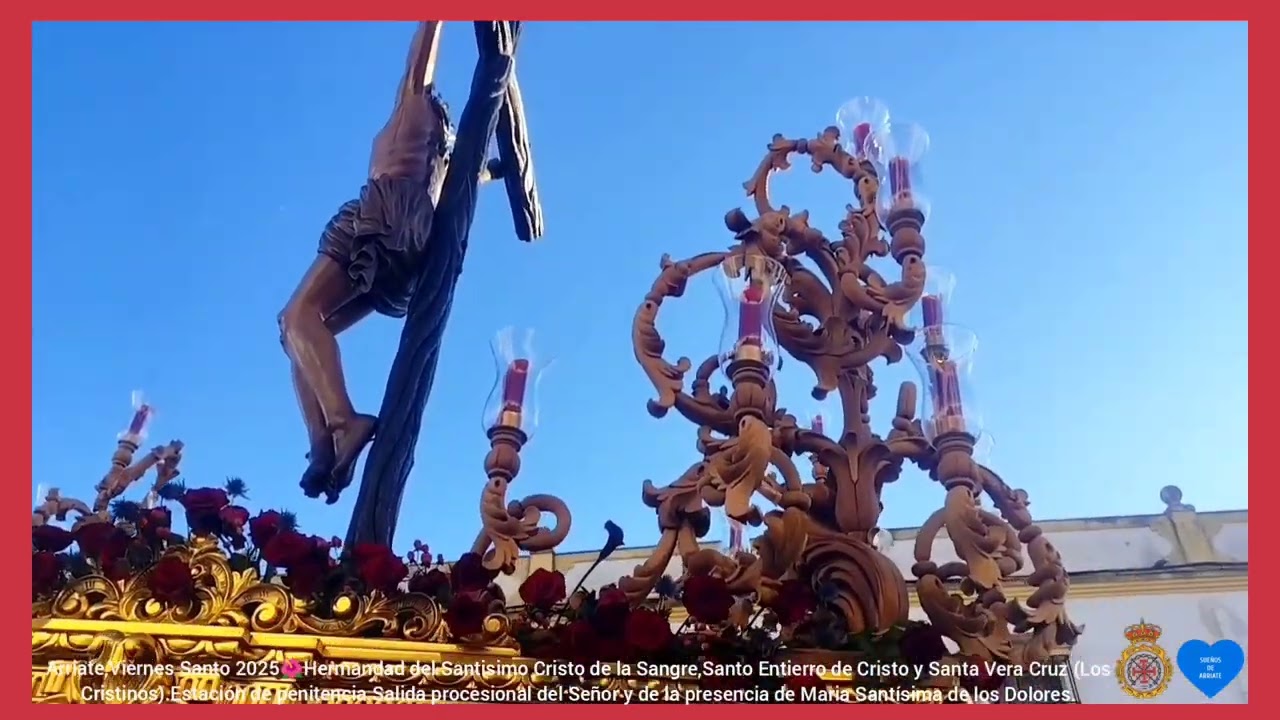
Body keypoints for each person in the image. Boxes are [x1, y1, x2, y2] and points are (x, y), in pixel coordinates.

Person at [278, 21, 452, 504]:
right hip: (406, 247)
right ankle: (322, 444)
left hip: (379, 217)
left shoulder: (415, 104)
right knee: (302, 333)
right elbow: (466, 182)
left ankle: (341, 422)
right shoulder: (437, 160)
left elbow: (420, 57)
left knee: (296, 317)